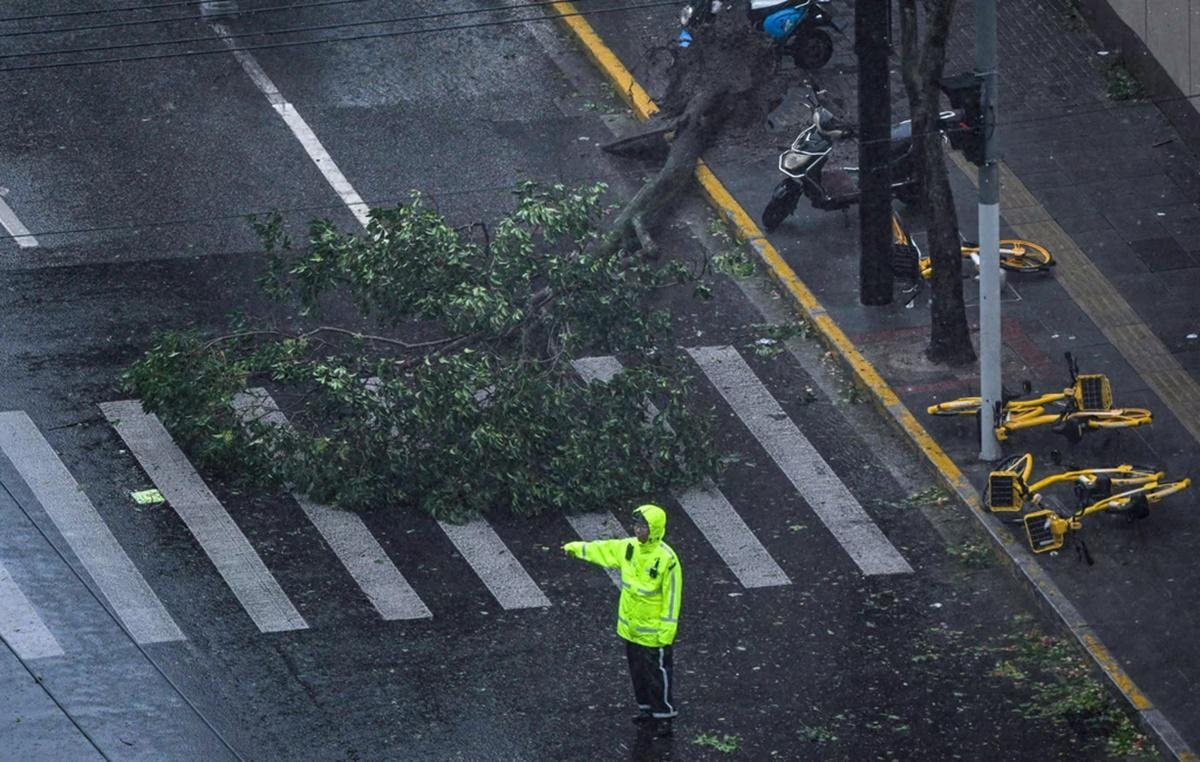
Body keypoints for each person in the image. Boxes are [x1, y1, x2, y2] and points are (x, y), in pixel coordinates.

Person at [563, 504, 682, 732]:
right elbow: (604, 550)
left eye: (643, 527)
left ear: (654, 529)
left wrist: (666, 631)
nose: (638, 531)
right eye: (636, 526)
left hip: (654, 632)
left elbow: (672, 597)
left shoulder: (667, 559)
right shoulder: (629, 548)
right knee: (638, 672)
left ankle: (664, 715)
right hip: (631, 629)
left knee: (658, 675)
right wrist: (577, 548)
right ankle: (647, 710)